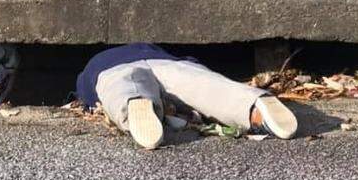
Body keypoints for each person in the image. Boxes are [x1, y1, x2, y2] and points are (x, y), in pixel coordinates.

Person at [75, 43, 298, 149]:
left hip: (108, 67)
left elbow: (86, 94)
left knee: (122, 86)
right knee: (202, 85)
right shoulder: (158, 51)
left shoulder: (90, 69)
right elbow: (194, 70)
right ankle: (253, 105)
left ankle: (134, 103)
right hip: (169, 62)